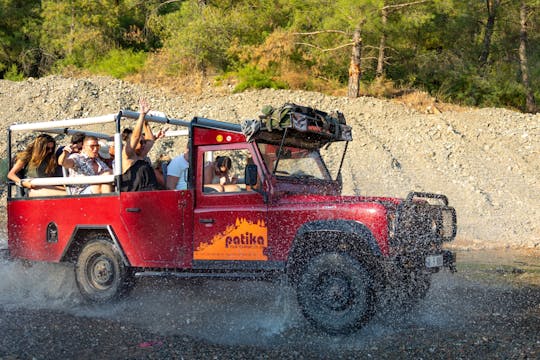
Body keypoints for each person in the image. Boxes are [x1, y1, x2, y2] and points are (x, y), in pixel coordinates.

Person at [120, 98, 162, 192]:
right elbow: (135, 137)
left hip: (150, 194)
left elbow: (150, 140)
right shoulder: (127, 155)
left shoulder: (141, 155)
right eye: (141, 143)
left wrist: (146, 122)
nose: (144, 145)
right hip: (135, 197)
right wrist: (142, 115)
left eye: (144, 142)